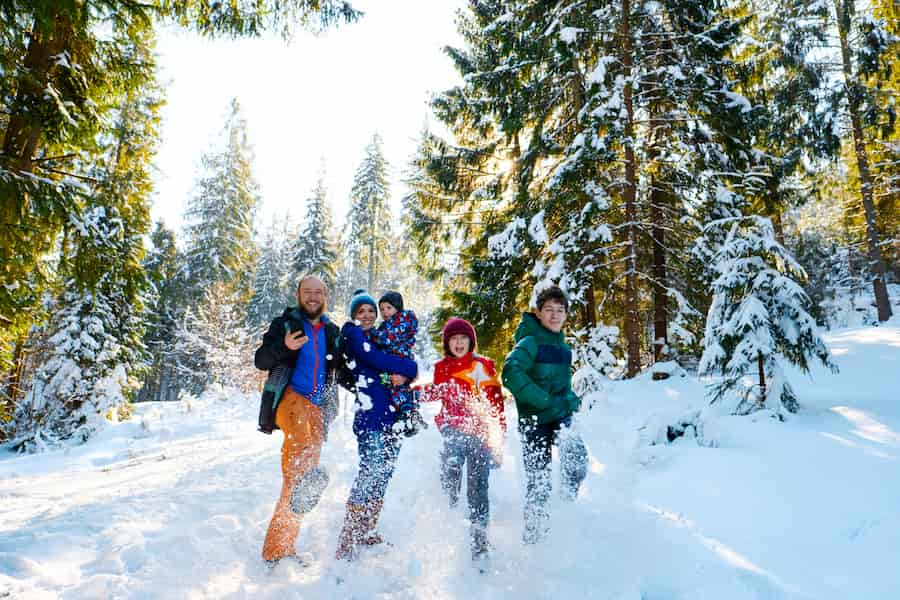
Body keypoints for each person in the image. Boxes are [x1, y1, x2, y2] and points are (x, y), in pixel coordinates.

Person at [253, 275, 343, 565]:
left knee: (299, 485)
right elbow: (261, 360)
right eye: (308, 292)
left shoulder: (331, 331)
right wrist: (285, 347)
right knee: (303, 470)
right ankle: (278, 551)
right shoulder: (285, 324)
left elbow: (344, 371)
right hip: (291, 399)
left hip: (318, 409)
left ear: (325, 295)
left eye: (318, 292)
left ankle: (281, 550)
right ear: (299, 294)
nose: (313, 297)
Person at [335, 289, 419, 561]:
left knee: (384, 473)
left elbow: (394, 362)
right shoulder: (354, 334)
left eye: (372, 311)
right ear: (354, 315)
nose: (368, 315)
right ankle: (348, 536)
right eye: (362, 311)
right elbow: (376, 360)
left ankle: (367, 530)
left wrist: (406, 373)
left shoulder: (379, 337)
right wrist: (411, 368)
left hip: (391, 417)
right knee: (370, 470)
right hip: (370, 418)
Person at [501, 285, 588, 544]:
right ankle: (534, 539)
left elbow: (562, 385)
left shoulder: (562, 346)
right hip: (535, 422)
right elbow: (511, 372)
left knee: (578, 459)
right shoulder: (530, 341)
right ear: (538, 313)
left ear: (566, 315)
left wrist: (571, 400)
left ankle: (564, 512)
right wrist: (543, 400)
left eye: (560, 311)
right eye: (548, 310)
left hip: (560, 416)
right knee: (539, 483)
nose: (554, 315)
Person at [423, 317, 505, 561]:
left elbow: (496, 405)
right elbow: (434, 391)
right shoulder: (442, 367)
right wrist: (402, 389)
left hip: (479, 432)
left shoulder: (484, 366)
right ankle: (449, 491)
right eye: (454, 339)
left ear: (471, 341)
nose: (458, 343)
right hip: (452, 427)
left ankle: (479, 543)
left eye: (463, 338)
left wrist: (498, 441)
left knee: (478, 488)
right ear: (447, 343)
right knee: (454, 452)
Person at [371, 290, 427, 437]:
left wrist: (372, 334)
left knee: (401, 387)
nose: (385, 312)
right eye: (382, 309)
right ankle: (404, 413)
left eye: (388, 308)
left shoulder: (402, 321)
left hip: (401, 357)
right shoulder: (385, 325)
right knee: (389, 383)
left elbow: (387, 339)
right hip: (390, 364)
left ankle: (409, 413)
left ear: (397, 308)